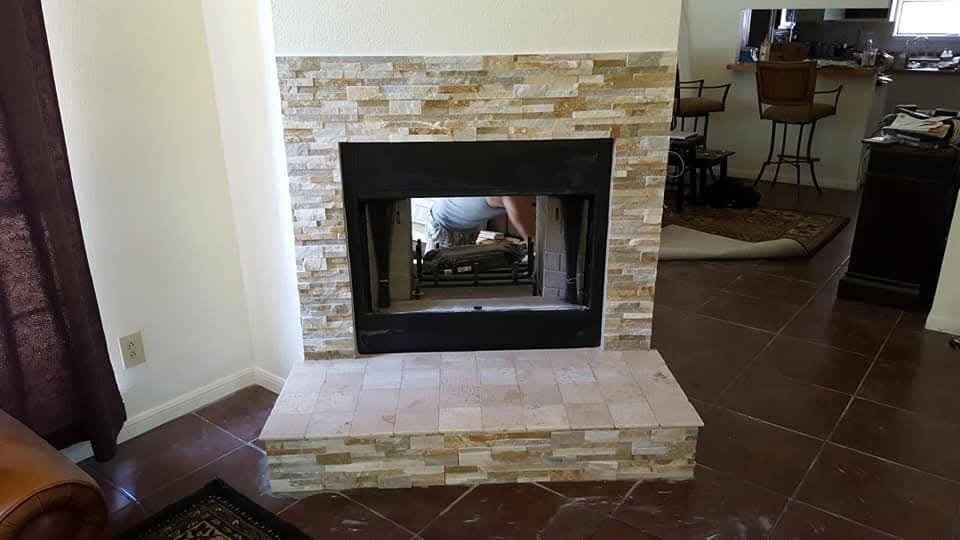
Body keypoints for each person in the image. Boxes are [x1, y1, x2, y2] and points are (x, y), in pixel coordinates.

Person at [428, 196, 535, 250]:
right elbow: (509, 198)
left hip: (471, 227)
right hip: (444, 225)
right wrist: (532, 242)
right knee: (440, 274)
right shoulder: (508, 195)